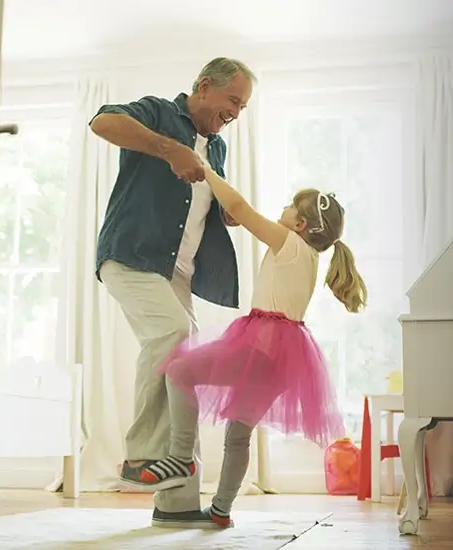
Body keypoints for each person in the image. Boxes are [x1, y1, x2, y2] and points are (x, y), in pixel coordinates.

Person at [138, 169, 364, 528]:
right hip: (283, 360)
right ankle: (221, 510)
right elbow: (241, 215)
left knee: (179, 370)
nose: (285, 207)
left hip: (261, 345)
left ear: (301, 224)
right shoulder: (309, 256)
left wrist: (207, 172)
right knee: (238, 435)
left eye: (291, 205)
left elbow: (241, 208)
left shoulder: (288, 241)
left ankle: (180, 457)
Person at [88, 57, 254, 528]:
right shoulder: (159, 113)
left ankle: (177, 503)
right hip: (131, 256)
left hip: (177, 274)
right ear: (204, 87)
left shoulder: (217, 147)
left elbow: (196, 201)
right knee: (173, 333)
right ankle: (143, 456)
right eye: (233, 100)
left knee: (187, 370)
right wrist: (168, 149)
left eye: (242, 107)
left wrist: (224, 212)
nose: (236, 112)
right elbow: (102, 121)